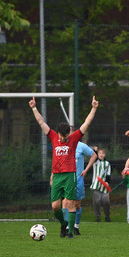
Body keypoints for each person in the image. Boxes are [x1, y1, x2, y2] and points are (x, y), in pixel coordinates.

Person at [30, 96, 100, 238]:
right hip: (57, 175)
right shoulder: (53, 137)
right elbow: (41, 122)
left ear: (69, 133)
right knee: (55, 206)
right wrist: (34, 108)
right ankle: (63, 223)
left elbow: (87, 122)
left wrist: (93, 108)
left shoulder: (74, 139)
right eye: (61, 136)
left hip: (70, 175)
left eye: (65, 136)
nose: (63, 139)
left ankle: (70, 232)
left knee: (70, 203)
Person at [71, 140, 97, 235]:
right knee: (66, 203)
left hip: (78, 179)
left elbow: (94, 155)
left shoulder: (81, 146)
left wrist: (85, 170)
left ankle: (76, 226)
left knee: (77, 204)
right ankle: (67, 226)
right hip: (67, 179)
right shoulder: (64, 146)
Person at [90, 147, 113, 222]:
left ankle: (107, 215)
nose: (101, 154)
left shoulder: (107, 163)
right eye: (100, 153)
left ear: (105, 154)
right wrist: (95, 150)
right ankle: (98, 216)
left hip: (104, 186)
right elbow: (93, 156)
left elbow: (108, 174)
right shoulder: (95, 162)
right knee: (97, 202)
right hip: (96, 185)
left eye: (103, 153)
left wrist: (107, 182)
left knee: (106, 201)